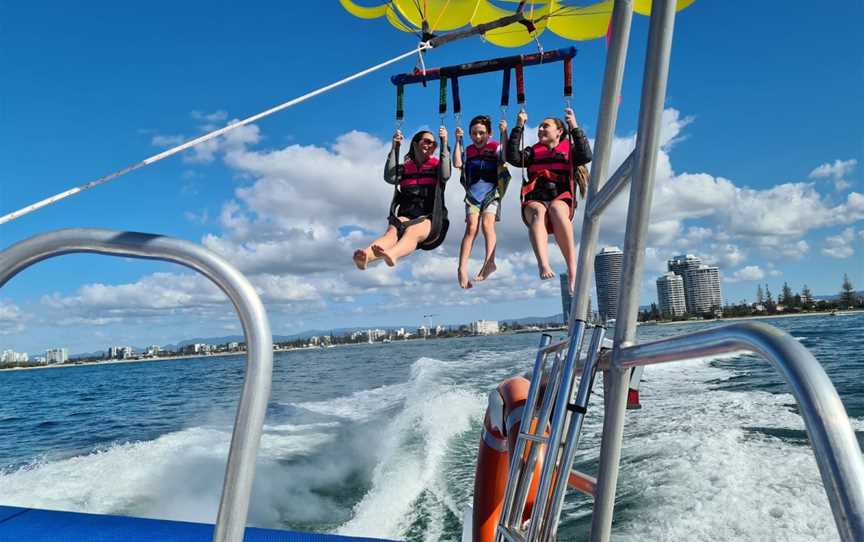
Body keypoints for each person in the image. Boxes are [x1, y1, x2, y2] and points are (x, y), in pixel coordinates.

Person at [504, 107, 592, 293]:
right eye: (539, 127)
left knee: (556, 209)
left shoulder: (569, 150)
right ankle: (543, 264)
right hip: (534, 200)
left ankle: (572, 269)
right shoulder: (532, 152)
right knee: (540, 211)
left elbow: (586, 155)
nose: (540, 129)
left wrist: (574, 125)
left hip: (560, 199)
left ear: (559, 131)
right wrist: (519, 126)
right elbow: (512, 157)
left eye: (546, 126)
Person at [353, 127, 450, 269]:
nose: (430, 145)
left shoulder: (437, 166)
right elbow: (390, 177)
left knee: (413, 230)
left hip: (431, 219)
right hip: (406, 215)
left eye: (433, 144)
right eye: (427, 141)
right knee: (392, 232)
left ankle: (392, 254)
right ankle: (365, 256)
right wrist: (394, 147)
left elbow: (446, 174)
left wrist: (444, 142)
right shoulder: (405, 168)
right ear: (415, 144)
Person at [453, 115, 510, 289]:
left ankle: (489, 262)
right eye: (474, 134)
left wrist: (504, 133)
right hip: (473, 195)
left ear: (489, 134)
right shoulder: (468, 150)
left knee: (487, 225)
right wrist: (458, 140)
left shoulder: (495, 147)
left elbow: (506, 157)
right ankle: (462, 269)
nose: (478, 137)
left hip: (492, 192)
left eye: (482, 133)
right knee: (471, 227)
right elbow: (457, 163)